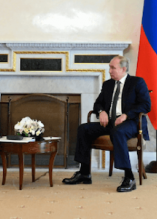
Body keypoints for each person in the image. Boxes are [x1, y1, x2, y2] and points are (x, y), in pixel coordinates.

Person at [62, 56, 151, 192]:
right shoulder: (108, 84)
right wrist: (101, 111)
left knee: (118, 131)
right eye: (109, 67)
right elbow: (98, 103)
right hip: (110, 123)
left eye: (112, 68)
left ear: (123, 69)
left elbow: (146, 105)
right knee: (83, 129)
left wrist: (126, 115)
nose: (109, 71)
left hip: (131, 123)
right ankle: (84, 173)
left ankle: (129, 177)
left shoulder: (137, 82)